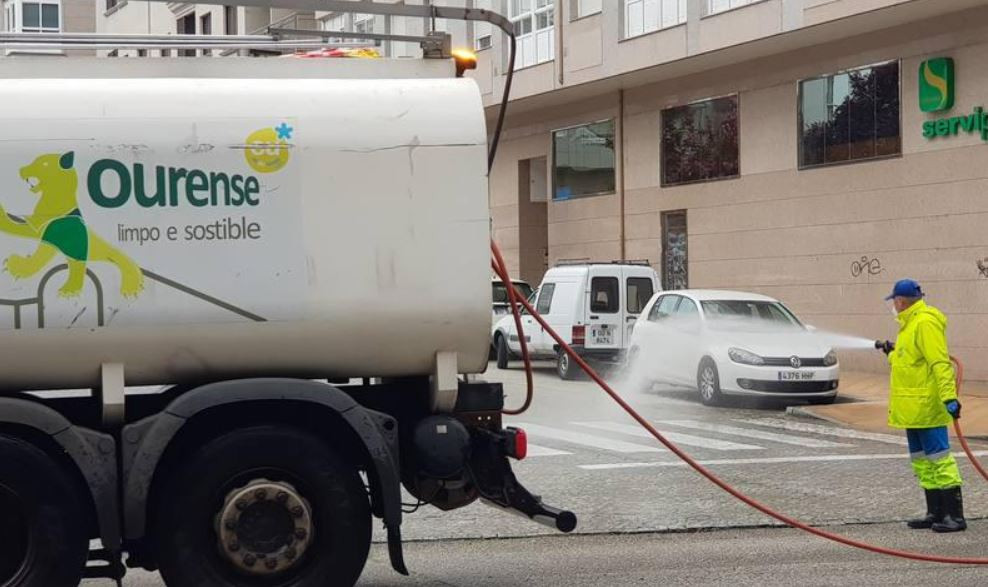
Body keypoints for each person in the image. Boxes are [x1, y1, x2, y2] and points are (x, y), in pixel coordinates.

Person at [879, 279, 965, 532]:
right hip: (911, 409)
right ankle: (935, 512)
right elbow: (909, 361)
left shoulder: (925, 322)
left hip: (927, 407)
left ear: (900, 301)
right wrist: (891, 354)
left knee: (940, 460)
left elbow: (939, 362)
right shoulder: (908, 324)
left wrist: (949, 398)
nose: (893, 305)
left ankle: (954, 516)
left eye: (893, 301)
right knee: (922, 461)